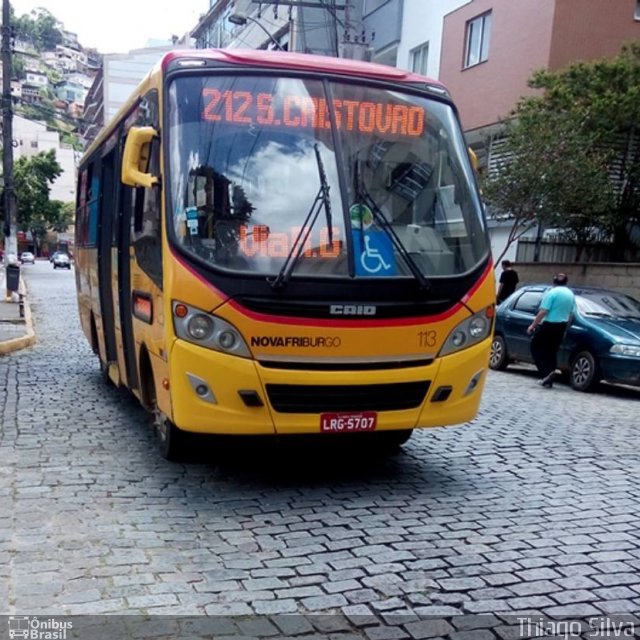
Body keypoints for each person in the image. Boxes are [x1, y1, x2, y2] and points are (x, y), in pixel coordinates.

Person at [526, 272, 576, 388]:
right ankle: (550, 375)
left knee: (536, 347)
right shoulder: (570, 294)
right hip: (561, 325)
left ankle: (546, 373)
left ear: (554, 281)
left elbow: (543, 311)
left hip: (549, 324)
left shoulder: (552, 293)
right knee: (552, 351)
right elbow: (571, 314)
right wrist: (565, 329)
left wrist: (533, 325)